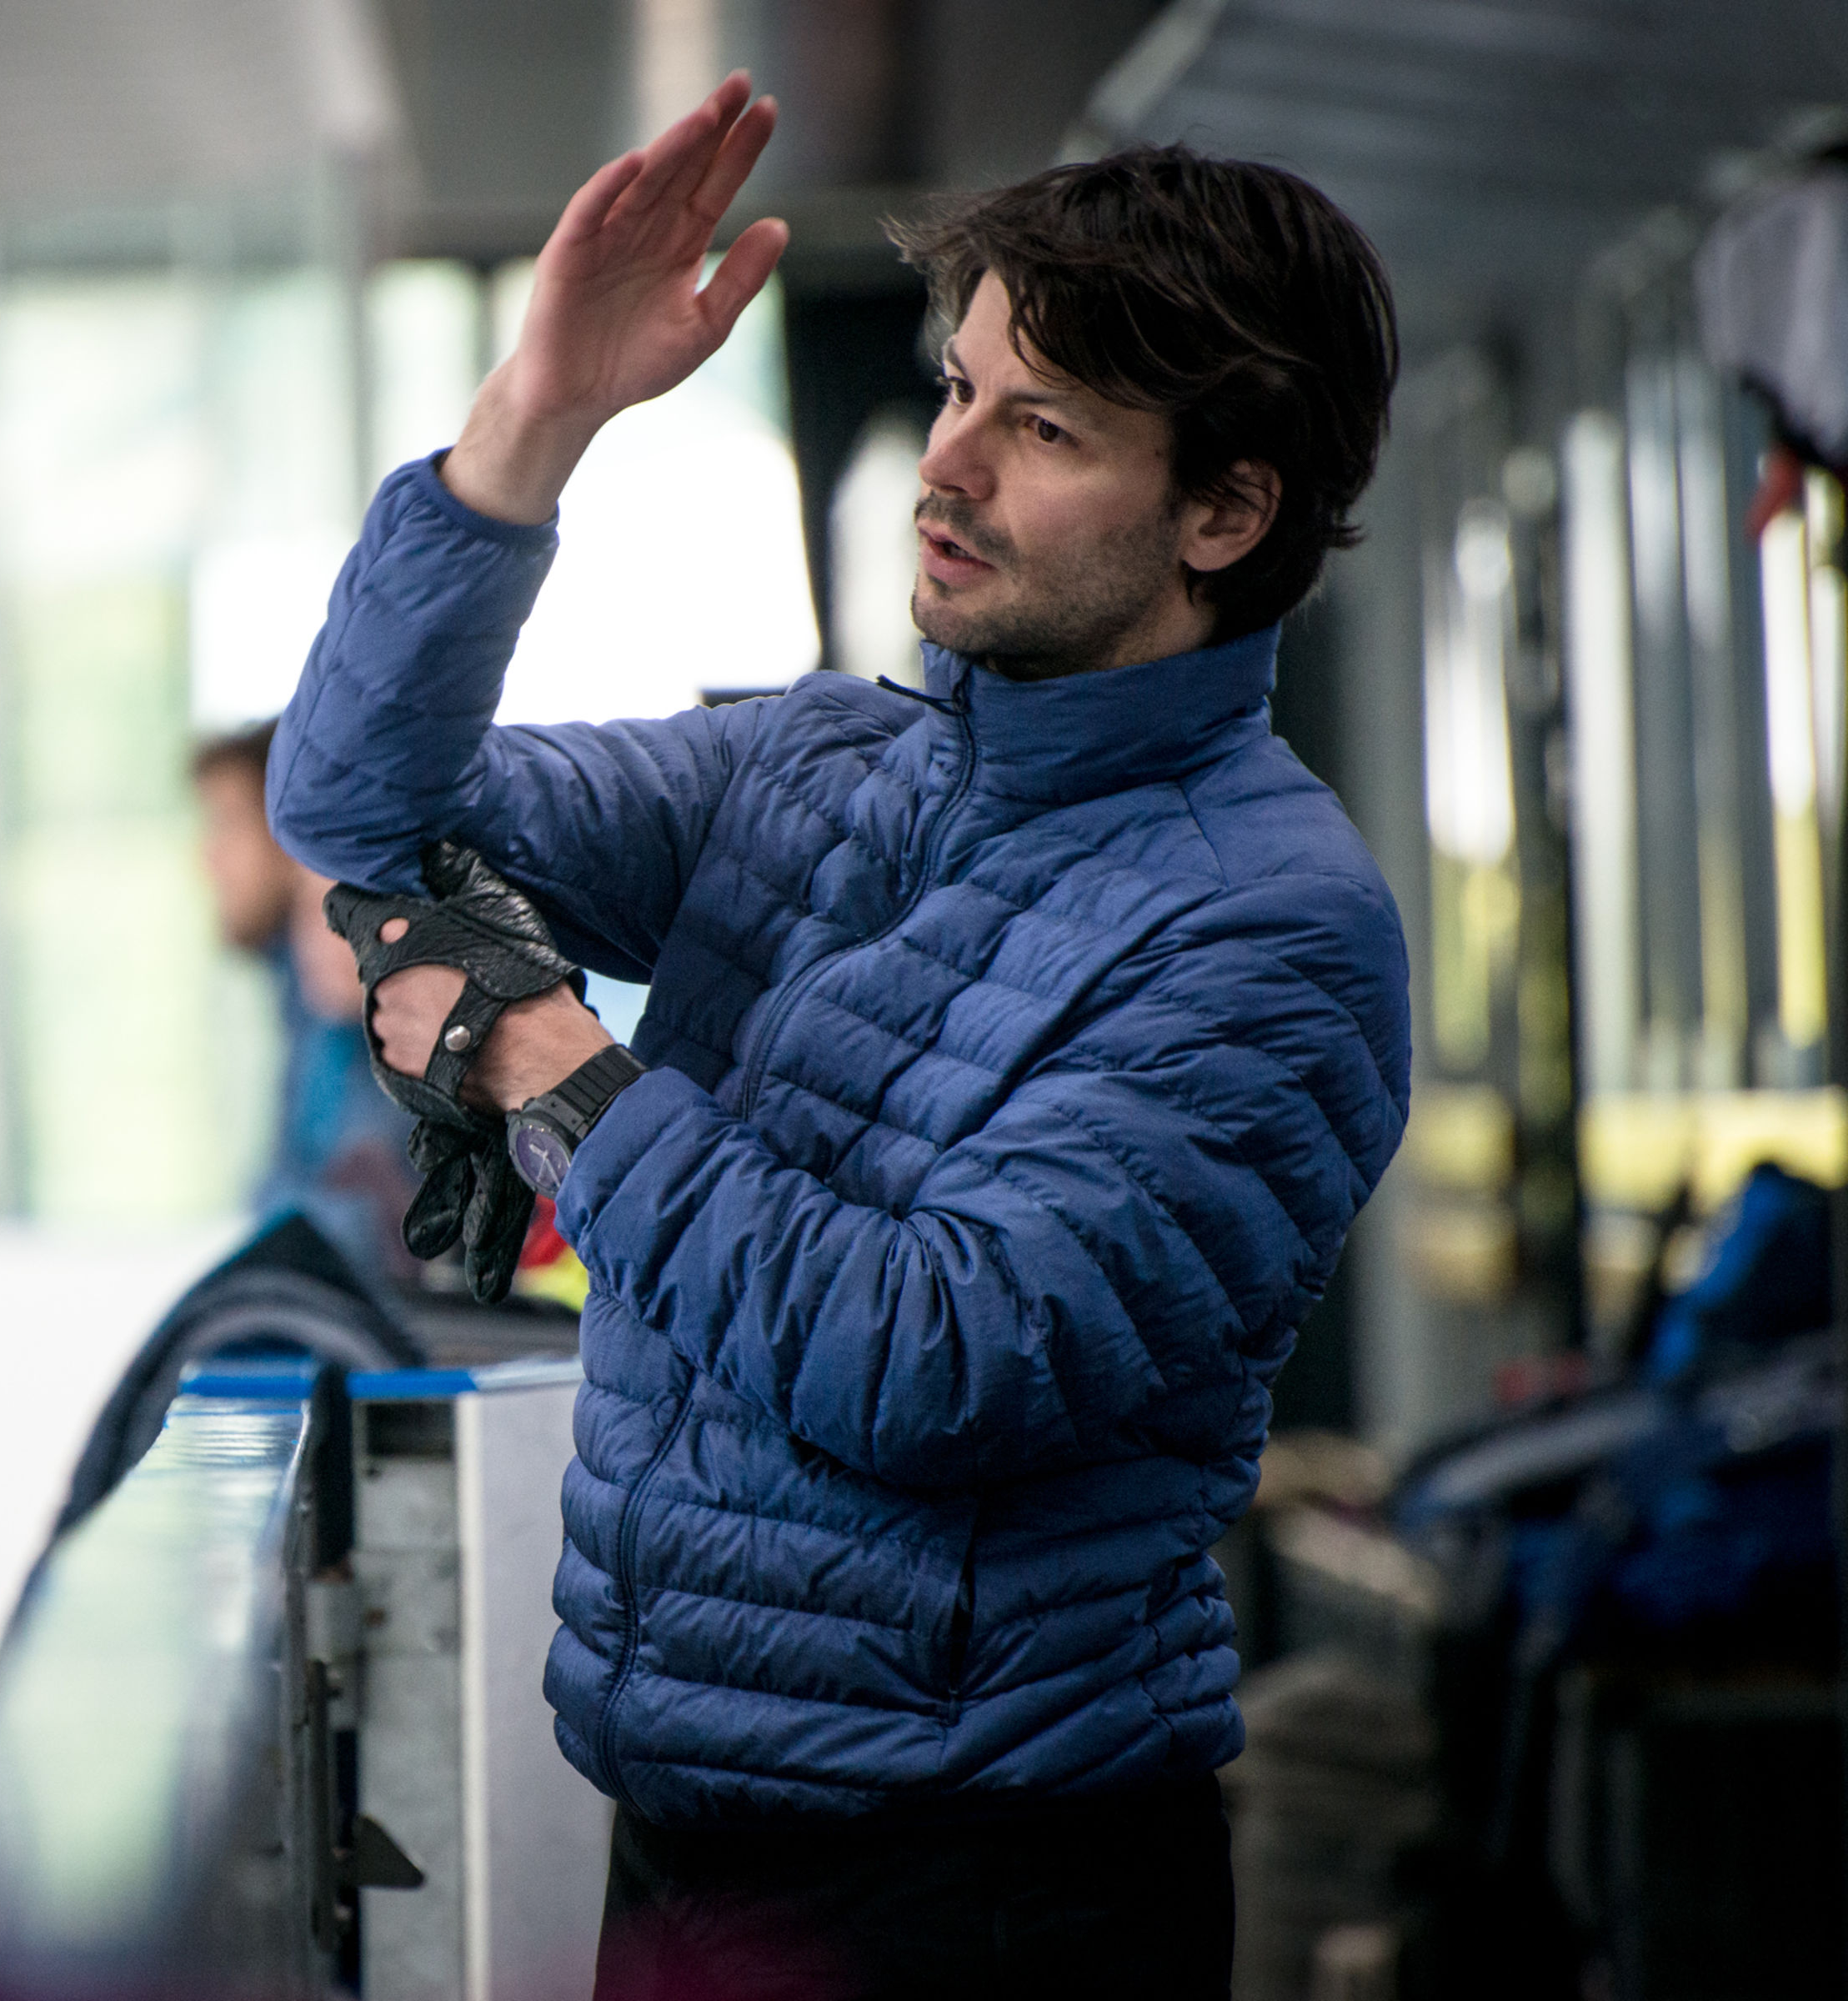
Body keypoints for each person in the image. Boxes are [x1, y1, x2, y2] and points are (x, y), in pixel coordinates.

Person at [271, 77, 1410, 1999]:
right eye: (958, 388)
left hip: (986, 1885)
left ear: (1224, 511)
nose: (946, 464)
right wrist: (535, 417)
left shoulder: (1267, 924)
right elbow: (361, 801)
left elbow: (932, 1359)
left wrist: (555, 1071)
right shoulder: (816, 762)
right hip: (682, 1817)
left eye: (1040, 426)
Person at [193, 719, 416, 1278]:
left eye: (227, 824)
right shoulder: (299, 998)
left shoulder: (350, 1003)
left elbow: (358, 1234)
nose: (207, 860)